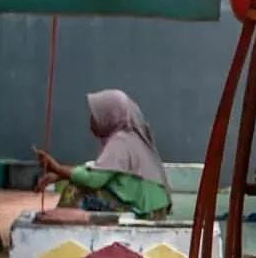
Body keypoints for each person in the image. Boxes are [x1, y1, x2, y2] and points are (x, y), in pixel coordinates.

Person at [35, 89, 172, 220]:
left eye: (97, 115)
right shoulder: (131, 137)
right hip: (153, 209)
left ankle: (62, 228)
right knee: (80, 186)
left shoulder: (121, 141)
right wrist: (60, 175)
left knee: (76, 190)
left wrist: (57, 168)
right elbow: (99, 169)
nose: (91, 119)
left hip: (146, 213)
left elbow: (94, 179)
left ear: (110, 116)